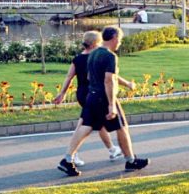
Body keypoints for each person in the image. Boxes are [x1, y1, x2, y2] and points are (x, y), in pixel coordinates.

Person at [58, 26, 149, 176]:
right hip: (104, 97)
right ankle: (131, 161)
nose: (120, 43)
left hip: (91, 96)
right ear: (114, 38)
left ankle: (67, 159)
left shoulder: (93, 54)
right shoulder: (109, 56)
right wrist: (112, 104)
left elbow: (89, 77)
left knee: (85, 127)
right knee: (121, 127)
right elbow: (109, 80)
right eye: (119, 39)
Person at [54, 31, 125, 166]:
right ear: (95, 44)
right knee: (85, 125)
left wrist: (62, 93)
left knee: (97, 123)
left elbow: (69, 77)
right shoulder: (96, 57)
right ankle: (72, 155)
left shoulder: (78, 58)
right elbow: (109, 77)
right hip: (94, 94)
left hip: (82, 93)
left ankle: (112, 149)